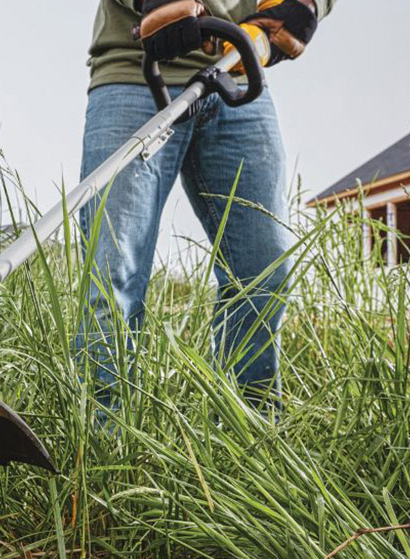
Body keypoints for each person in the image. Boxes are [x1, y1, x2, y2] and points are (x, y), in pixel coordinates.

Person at [79, 0, 334, 413]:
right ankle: (100, 439)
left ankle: (251, 431)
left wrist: (308, 5)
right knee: (114, 269)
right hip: (136, 69)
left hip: (238, 69)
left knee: (264, 267)